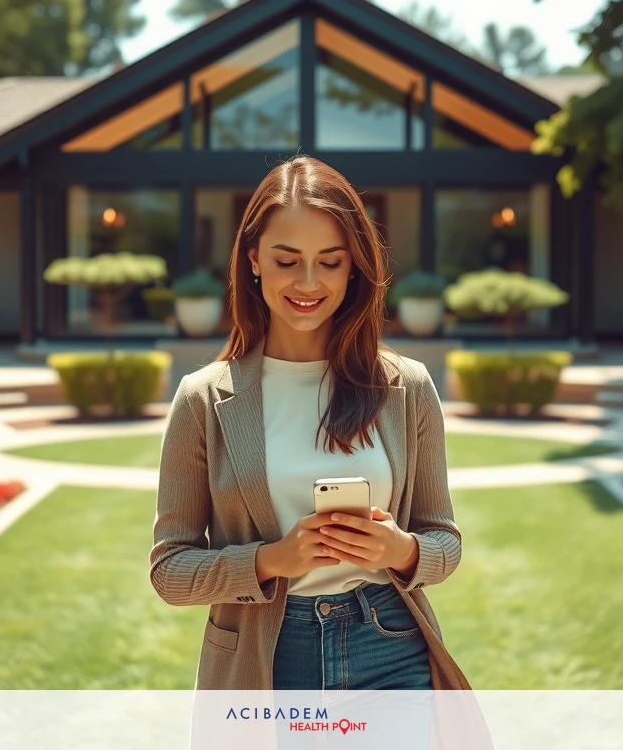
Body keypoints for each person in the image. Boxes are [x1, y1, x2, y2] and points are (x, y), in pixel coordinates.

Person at [150, 155, 480, 746]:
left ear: (355, 268)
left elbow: (444, 542)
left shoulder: (406, 388)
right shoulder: (203, 398)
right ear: (252, 260)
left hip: (390, 646)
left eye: (330, 262)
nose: (308, 284)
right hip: (269, 661)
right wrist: (272, 559)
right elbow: (169, 571)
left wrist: (401, 549)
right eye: (286, 261)